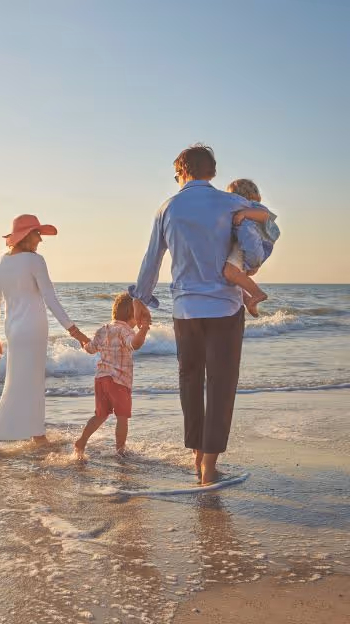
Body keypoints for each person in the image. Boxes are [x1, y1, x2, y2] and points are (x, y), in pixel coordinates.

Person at [129, 145, 271, 485]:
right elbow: (263, 226)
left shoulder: (167, 208)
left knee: (190, 380)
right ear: (212, 172)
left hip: (186, 310)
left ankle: (196, 456)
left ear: (182, 171)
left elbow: (152, 260)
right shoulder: (231, 202)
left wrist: (141, 300)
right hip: (224, 307)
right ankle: (209, 466)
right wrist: (250, 265)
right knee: (221, 384)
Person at [0, 214, 89, 452]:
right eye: (37, 234)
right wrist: (76, 332)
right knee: (22, 382)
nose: (40, 239)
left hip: (13, 330)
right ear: (25, 236)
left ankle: (36, 433)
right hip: (33, 328)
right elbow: (50, 299)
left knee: (25, 380)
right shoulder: (35, 261)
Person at [74, 293, 150, 457]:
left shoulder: (103, 329)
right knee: (122, 417)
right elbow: (135, 344)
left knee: (100, 415)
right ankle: (120, 450)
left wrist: (80, 337)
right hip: (119, 381)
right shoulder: (125, 331)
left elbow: (90, 348)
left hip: (101, 379)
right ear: (133, 315)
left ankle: (82, 441)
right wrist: (144, 329)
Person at [223, 178, 281, 317]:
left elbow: (265, 216)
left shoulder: (251, 206)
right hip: (250, 247)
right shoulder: (246, 208)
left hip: (248, 247)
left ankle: (256, 293)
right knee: (232, 278)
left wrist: (244, 213)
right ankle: (248, 300)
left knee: (229, 272)